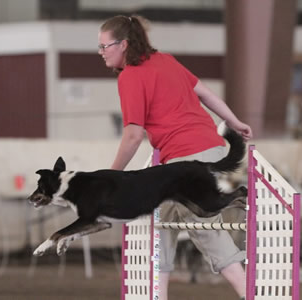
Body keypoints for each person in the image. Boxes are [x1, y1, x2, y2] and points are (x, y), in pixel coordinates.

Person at [98, 15, 252, 300]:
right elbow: (205, 94)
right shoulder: (166, 60)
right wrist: (234, 122)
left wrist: (111, 177)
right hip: (208, 148)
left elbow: (133, 136)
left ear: (124, 45)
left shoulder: (131, 76)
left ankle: (249, 294)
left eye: (105, 46)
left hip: (186, 156)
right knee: (161, 218)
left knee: (202, 227)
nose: (101, 52)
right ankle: (158, 295)